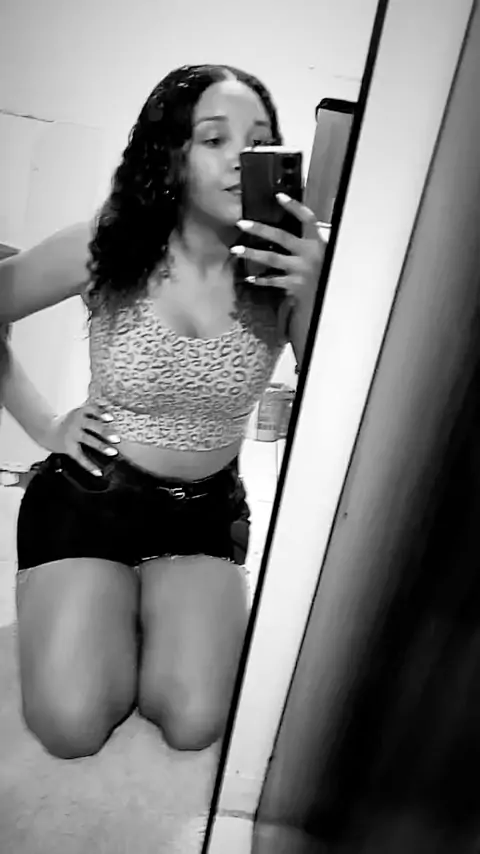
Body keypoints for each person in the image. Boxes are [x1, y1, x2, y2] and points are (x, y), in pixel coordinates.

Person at [0, 63, 325, 760]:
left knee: (195, 721)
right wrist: (43, 424)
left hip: (202, 514)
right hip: (90, 496)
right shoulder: (107, 245)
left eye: (257, 141)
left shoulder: (287, 268)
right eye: (214, 138)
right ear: (172, 154)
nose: (239, 157)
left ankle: (139, 606)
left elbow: (336, 401)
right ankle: (93, 597)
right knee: (71, 726)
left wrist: (317, 294)